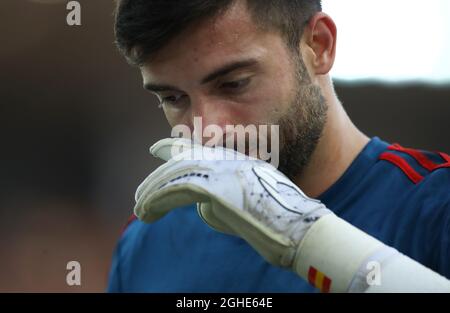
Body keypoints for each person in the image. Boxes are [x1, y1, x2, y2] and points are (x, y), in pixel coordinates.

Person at [108, 0, 450, 292]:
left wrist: (314, 241)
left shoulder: (437, 208)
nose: (207, 131)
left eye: (233, 83)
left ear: (319, 45)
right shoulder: (147, 244)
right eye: (173, 97)